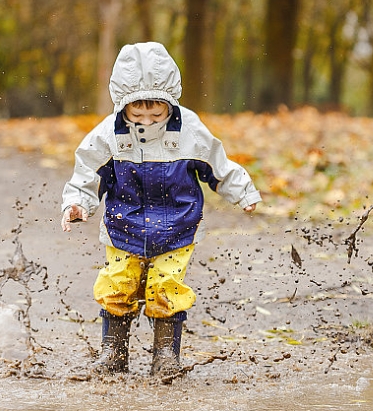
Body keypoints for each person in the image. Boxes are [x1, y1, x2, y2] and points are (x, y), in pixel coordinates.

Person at [60, 42, 261, 377]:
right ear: (122, 106)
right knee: (116, 284)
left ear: (172, 103)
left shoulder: (190, 130)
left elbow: (217, 165)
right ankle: (114, 352)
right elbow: (87, 174)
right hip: (124, 227)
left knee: (166, 288)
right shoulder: (108, 134)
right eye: (137, 115)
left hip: (178, 228)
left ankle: (166, 354)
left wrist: (242, 192)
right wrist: (77, 204)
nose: (148, 121)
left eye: (157, 114)